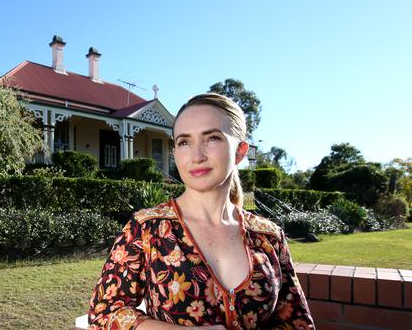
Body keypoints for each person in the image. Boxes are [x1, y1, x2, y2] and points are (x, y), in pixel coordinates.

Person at [88, 93, 315, 329]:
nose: (196, 157)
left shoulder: (269, 236)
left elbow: (296, 322)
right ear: (175, 152)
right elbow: (104, 314)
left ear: (239, 152)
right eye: (184, 142)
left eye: (212, 138)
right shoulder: (147, 228)